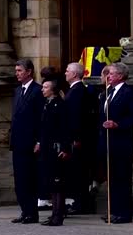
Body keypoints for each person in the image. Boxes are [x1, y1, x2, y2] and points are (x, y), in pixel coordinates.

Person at [98, 63, 133, 224]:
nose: (108, 76)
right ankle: (113, 210)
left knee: (122, 178)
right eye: (108, 74)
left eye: (112, 74)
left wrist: (118, 124)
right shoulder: (107, 93)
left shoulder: (128, 92)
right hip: (109, 142)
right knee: (112, 178)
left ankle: (124, 212)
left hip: (122, 143)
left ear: (121, 76)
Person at [10, 59, 43, 224]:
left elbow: (40, 119)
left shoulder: (37, 91)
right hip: (18, 141)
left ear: (29, 71)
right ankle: (24, 210)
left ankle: (32, 212)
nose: (17, 73)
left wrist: (39, 141)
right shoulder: (17, 91)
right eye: (16, 70)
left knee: (29, 179)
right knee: (19, 180)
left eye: (19, 70)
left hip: (31, 142)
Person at [38, 79, 72, 226]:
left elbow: (65, 128)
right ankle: (54, 214)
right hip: (47, 147)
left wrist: (65, 148)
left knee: (58, 182)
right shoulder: (47, 104)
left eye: (45, 87)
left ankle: (59, 214)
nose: (42, 90)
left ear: (53, 90)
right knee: (51, 181)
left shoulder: (60, 105)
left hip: (57, 147)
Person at [63, 62, 96, 215]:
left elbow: (76, 117)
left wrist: (75, 137)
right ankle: (79, 201)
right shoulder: (75, 90)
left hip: (78, 138)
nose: (65, 73)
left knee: (80, 172)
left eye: (68, 71)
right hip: (76, 137)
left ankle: (80, 203)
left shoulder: (77, 91)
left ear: (75, 74)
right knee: (78, 171)